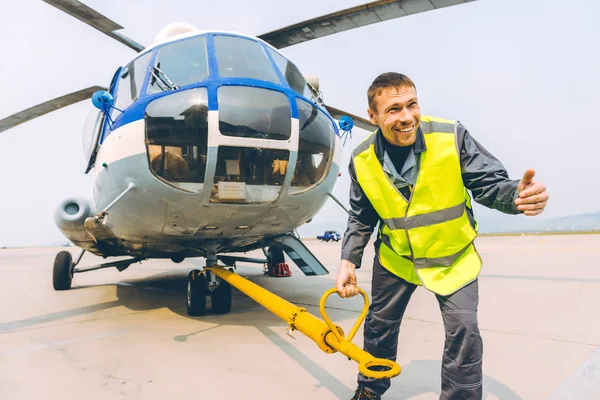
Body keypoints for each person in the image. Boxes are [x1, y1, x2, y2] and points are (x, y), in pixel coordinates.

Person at [336, 72, 549, 400]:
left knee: (464, 332)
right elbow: (361, 215)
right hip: (397, 260)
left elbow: (489, 183)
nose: (407, 117)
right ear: (373, 116)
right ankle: (369, 390)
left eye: (412, 104)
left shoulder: (450, 135)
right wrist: (349, 259)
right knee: (379, 329)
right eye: (394, 109)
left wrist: (515, 197)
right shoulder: (362, 159)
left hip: (453, 259)